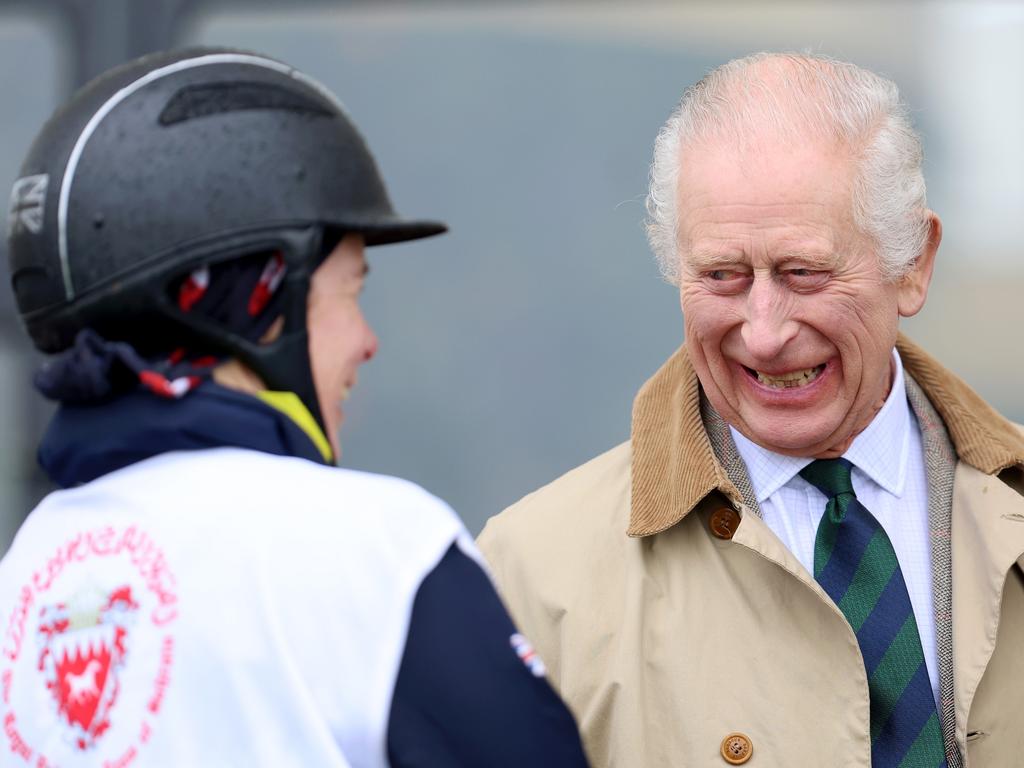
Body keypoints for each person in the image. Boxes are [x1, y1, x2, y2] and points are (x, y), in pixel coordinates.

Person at [0, 47, 589, 767]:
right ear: (261, 299)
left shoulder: (27, 574)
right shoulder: (375, 549)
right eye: (351, 290)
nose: (367, 341)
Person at [478, 52, 1024, 767]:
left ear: (913, 265)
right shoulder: (530, 576)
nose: (764, 330)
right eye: (722, 277)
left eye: (804, 273)